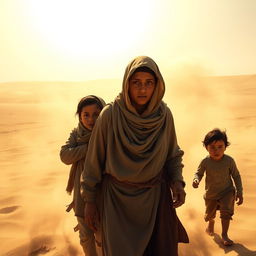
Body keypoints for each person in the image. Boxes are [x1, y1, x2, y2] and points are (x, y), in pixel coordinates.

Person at [81, 56, 189, 256]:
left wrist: (178, 182)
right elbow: (93, 162)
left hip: (155, 199)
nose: (142, 90)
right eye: (136, 83)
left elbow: (172, 154)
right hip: (116, 202)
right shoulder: (110, 115)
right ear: (127, 84)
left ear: (157, 85)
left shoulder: (164, 116)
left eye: (149, 83)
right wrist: (89, 200)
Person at [60, 95, 106, 256]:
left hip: (104, 195)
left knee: (104, 237)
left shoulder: (108, 134)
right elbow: (64, 155)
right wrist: (89, 148)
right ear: (79, 116)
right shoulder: (77, 134)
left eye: (96, 114)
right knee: (86, 237)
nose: (91, 119)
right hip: (81, 196)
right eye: (85, 114)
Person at [192, 128, 243, 246]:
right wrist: (196, 180)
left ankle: (225, 235)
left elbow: (236, 176)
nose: (216, 150)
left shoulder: (229, 161)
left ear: (226, 146)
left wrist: (240, 192)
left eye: (220, 146)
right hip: (211, 193)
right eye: (212, 147)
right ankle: (211, 223)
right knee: (210, 214)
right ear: (206, 148)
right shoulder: (205, 162)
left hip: (227, 191)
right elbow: (198, 173)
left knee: (226, 212)